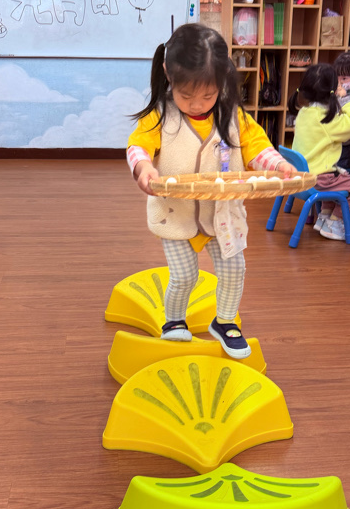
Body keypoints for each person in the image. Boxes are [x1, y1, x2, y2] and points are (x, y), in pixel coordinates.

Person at [127, 23, 296, 359]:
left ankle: (225, 321)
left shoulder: (233, 116)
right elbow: (138, 146)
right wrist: (144, 167)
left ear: (223, 81)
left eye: (207, 95)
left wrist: (277, 165)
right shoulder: (159, 116)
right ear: (168, 74)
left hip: (222, 216)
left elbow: (257, 146)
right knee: (184, 275)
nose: (196, 104)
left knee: (235, 270)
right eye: (186, 96)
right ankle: (174, 320)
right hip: (176, 215)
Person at [290, 63, 350, 242]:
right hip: (317, 180)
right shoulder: (327, 119)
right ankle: (335, 222)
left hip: (299, 176)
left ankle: (323, 217)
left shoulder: (304, 112)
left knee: (335, 176)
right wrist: (347, 100)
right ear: (333, 91)